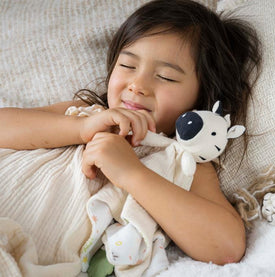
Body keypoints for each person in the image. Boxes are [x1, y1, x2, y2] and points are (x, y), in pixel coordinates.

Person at [0, 0, 261, 266]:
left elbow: (226, 246)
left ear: (203, 95)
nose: (138, 85)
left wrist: (130, 173)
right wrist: (80, 129)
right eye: (127, 66)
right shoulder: (83, 112)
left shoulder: (182, 162)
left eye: (166, 77)